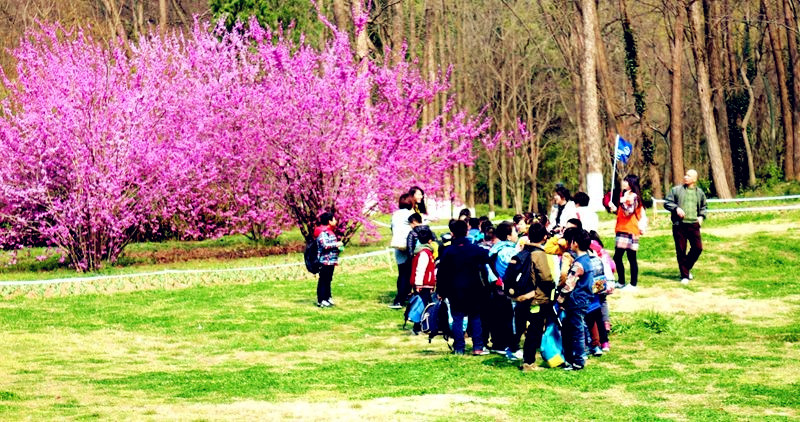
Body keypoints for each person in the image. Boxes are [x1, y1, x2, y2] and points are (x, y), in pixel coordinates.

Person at [436, 220, 490, 355]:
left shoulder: (448, 252)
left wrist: (440, 291)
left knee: (457, 318)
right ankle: (478, 347)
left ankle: (459, 347)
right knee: (475, 317)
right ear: (467, 232)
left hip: (454, 290)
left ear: (452, 233)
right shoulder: (475, 250)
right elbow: (487, 257)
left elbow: (442, 274)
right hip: (474, 288)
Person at [512, 223, 556, 371]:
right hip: (536, 298)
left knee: (524, 328)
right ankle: (529, 362)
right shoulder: (539, 254)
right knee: (534, 330)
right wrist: (553, 285)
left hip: (523, 296)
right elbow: (545, 277)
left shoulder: (523, 251)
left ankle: (522, 356)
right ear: (544, 237)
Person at [557, 229, 594, 370]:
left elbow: (569, 284)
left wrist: (560, 299)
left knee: (577, 331)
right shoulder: (587, 259)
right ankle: (570, 358)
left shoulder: (578, 264)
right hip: (583, 300)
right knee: (570, 328)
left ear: (576, 244)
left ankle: (578, 361)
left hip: (576, 301)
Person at [663, 169, 707, 285]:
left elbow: (704, 206)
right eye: (685, 175)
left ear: (694, 179)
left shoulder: (700, 192)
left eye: (688, 175)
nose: (685, 177)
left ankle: (685, 268)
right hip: (679, 225)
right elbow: (667, 202)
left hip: (694, 225)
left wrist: (701, 216)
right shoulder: (676, 190)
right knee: (681, 250)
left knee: (698, 248)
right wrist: (676, 208)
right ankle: (684, 276)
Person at [486, 221, 519, 359]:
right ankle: (511, 346)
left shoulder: (493, 249)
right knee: (510, 319)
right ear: (508, 236)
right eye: (515, 231)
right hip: (509, 290)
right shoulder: (510, 252)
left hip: (495, 288)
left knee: (497, 318)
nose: (517, 234)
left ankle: (498, 344)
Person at [607, 174, 644, 290]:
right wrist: (614, 209)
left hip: (630, 229)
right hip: (622, 229)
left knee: (631, 257)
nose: (623, 183)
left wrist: (621, 203)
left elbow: (629, 211)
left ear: (631, 184)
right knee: (618, 257)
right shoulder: (625, 195)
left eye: (626, 181)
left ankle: (633, 284)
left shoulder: (633, 197)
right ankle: (621, 281)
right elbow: (622, 212)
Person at [389, 193, 415, 309]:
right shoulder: (410, 214)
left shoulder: (395, 214)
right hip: (408, 246)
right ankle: (400, 299)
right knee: (408, 273)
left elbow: (391, 228)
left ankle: (400, 298)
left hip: (397, 245)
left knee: (402, 273)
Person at [410, 227, 437, 334]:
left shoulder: (426, 252)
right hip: (423, 284)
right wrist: (418, 284)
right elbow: (420, 269)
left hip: (427, 284)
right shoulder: (424, 253)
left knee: (426, 304)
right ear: (429, 240)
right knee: (422, 305)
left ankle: (425, 324)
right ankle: (417, 326)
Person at [314, 212, 344, 308]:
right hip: (324, 261)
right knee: (323, 280)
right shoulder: (322, 232)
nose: (335, 221)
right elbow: (324, 245)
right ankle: (321, 300)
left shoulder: (330, 231)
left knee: (328, 279)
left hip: (331, 261)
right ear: (329, 221)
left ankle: (328, 297)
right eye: (334, 219)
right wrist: (336, 245)